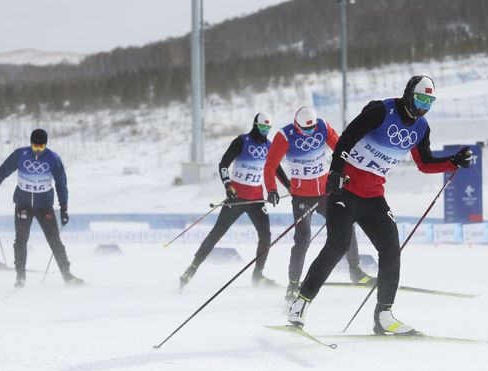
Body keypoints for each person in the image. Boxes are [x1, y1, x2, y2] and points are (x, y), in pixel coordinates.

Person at [287, 76, 472, 335]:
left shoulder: (421, 128)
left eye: (429, 101)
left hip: (373, 197)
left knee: (391, 249)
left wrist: (453, 161)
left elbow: (425, 164)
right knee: (337, 245)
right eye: (421, 99)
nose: (424, 106)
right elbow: (346, 140)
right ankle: (301, 303)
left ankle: (384, 315)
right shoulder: (380, 111)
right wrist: (336, 172)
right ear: (409, 94)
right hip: (345, 189)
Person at [263, 107, 375, 303]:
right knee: (303, 239)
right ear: (296, 126)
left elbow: (341, 150)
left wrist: (347, 175)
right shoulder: (284, 135)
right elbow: (270, 165)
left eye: (312, 129)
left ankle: (355, 271)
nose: (309, 133)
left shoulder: (322, 127)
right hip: (302, 198)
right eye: (305, 130)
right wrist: (272, 189)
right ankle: (293, 284)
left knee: (346, 226)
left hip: (326, 193)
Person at [179, 113, 290, 291]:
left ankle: (258, 275)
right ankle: (192, 268)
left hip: (256, 200)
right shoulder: (242, 141)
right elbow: (223, 164)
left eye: (268, 129)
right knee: (217, 233)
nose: (265, 132)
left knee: (266, 236)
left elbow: (276, 169)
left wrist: (289, 186)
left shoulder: (270, 147)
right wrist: (228, 186)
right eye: (262, 128)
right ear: (255, 125)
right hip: (236, 198)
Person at [0, 129, 83, 288]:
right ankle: (20, 276)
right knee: (20, 240)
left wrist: (64, 207)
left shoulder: (53, 158)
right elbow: (2, 173)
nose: (37, 150)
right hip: (23, 204)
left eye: (41, 147)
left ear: (46, 145)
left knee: (54, 240)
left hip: (44, 206)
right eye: (35, 146)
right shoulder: (20, 155)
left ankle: (67, 275)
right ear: (30, 143)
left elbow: (61, 184)